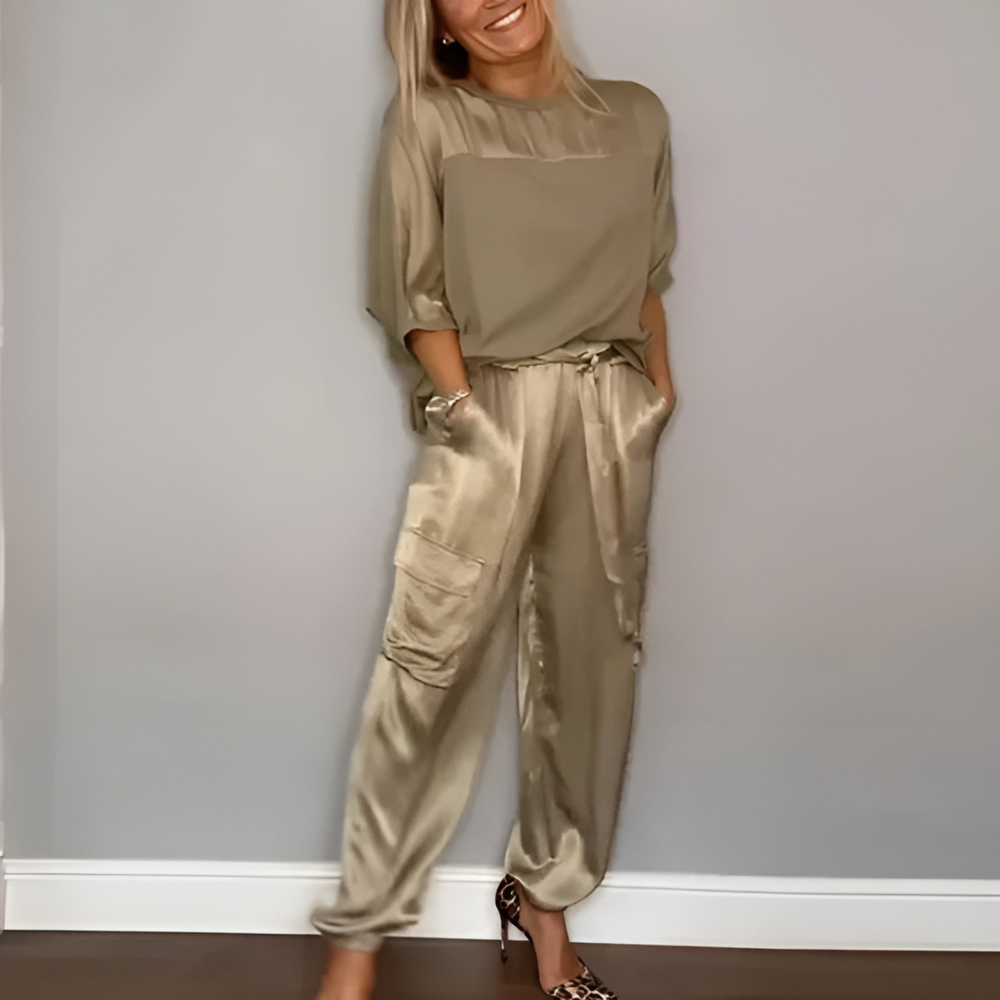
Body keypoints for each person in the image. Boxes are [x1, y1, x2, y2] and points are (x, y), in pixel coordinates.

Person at [311, 1, 678, 997]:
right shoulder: (429, 117)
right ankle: (356, 948)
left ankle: (547, 904)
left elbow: (647, 271)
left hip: (606, 409)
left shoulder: (637, 115)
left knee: (589, 674)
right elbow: (413, 288)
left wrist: (654, 391)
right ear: (436, 22)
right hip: (491, 407)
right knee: (427, 671)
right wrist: (470, 410)